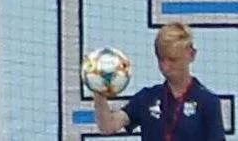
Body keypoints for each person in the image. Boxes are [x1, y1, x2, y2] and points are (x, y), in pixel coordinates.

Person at [95, 23, 228, 141]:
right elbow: (108, 126)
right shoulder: (146, 98)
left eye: (172, 60)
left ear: (191, 55)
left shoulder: (208, 102)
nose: (165, 67)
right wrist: (99, 91)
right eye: (161, 59)